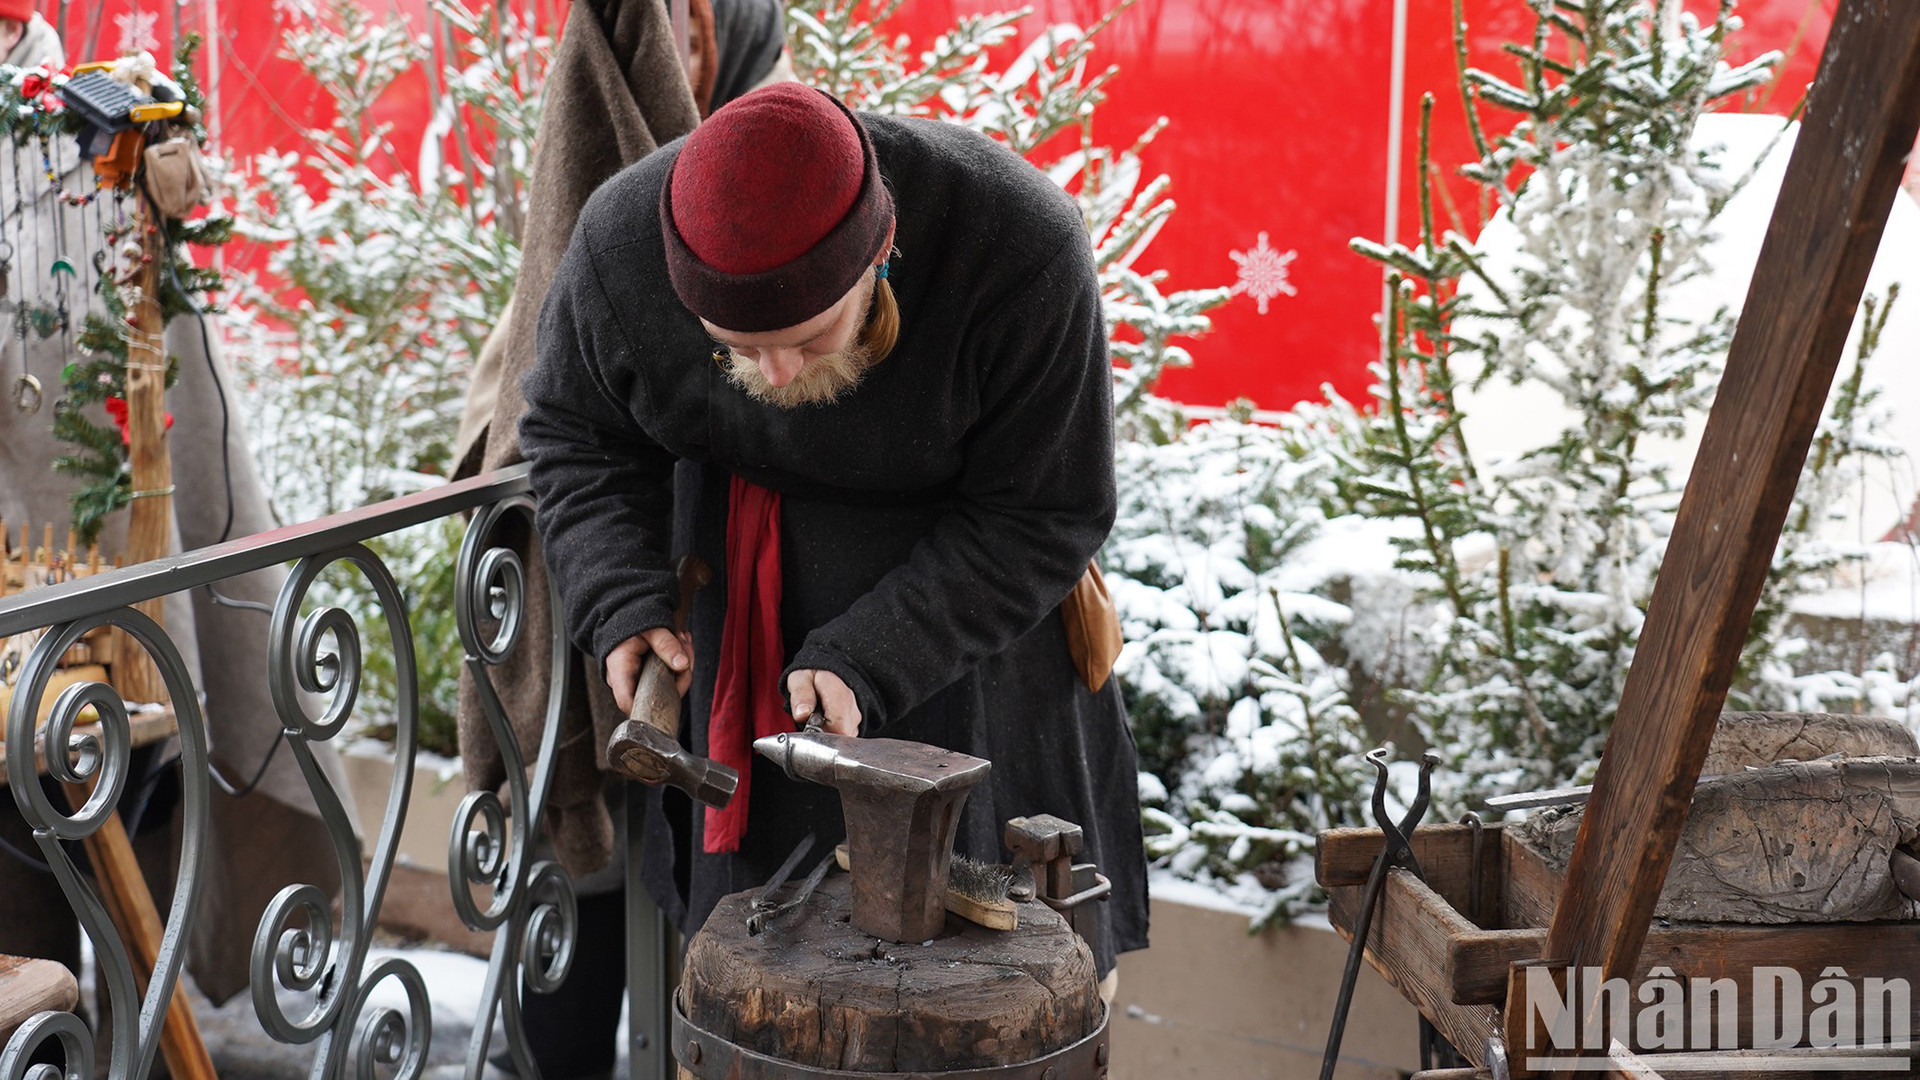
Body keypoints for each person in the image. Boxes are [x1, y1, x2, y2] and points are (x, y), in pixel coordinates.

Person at [518, 81, 1150, 989]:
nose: (772, 376)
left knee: (991, 989)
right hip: (744, 636)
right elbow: (576, 432)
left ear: (879, 256)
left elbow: (1046, 510)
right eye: (736, 345)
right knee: (761, 993)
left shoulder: (1015, 243)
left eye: (809, 338)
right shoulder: (621, 243)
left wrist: (872, 654)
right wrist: (616, 593)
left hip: (977, 647)